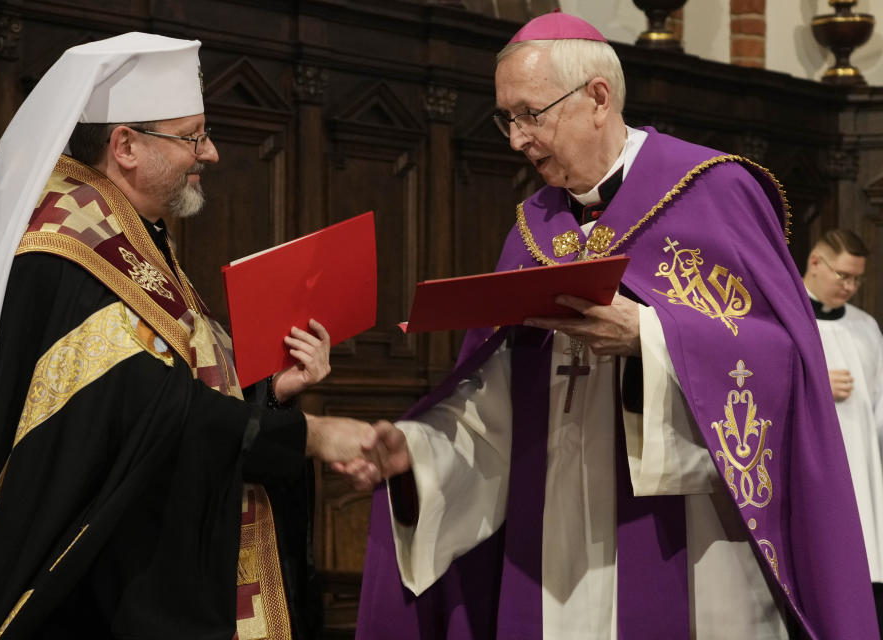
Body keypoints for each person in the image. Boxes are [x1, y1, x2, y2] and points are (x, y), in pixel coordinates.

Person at [351, 12, 879, 640]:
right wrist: (419, 452)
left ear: (597, 99)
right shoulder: (533, 227)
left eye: (529, 114)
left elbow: (782, 359)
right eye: (506, 118)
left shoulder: (715, 190)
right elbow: (495, 394)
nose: (516, 139)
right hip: (552, 544)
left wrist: (649, 337)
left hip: (689, 542)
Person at [0, 33, 378, 640]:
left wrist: (271, 394)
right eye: (193, 135)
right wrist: (308, 434)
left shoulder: (127, 231)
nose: (211, 152)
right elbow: (149, 416)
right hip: (102, 600)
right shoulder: (69, 252)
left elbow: (164, 399)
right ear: (126, 145)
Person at [802, 228, 883, 632]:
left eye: (857, 279)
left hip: (865, 475)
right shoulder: (784, 317)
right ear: (816, 262)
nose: (850, 287)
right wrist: (811, 383)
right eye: (843, 276)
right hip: (810, 472)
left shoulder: (867, 327)